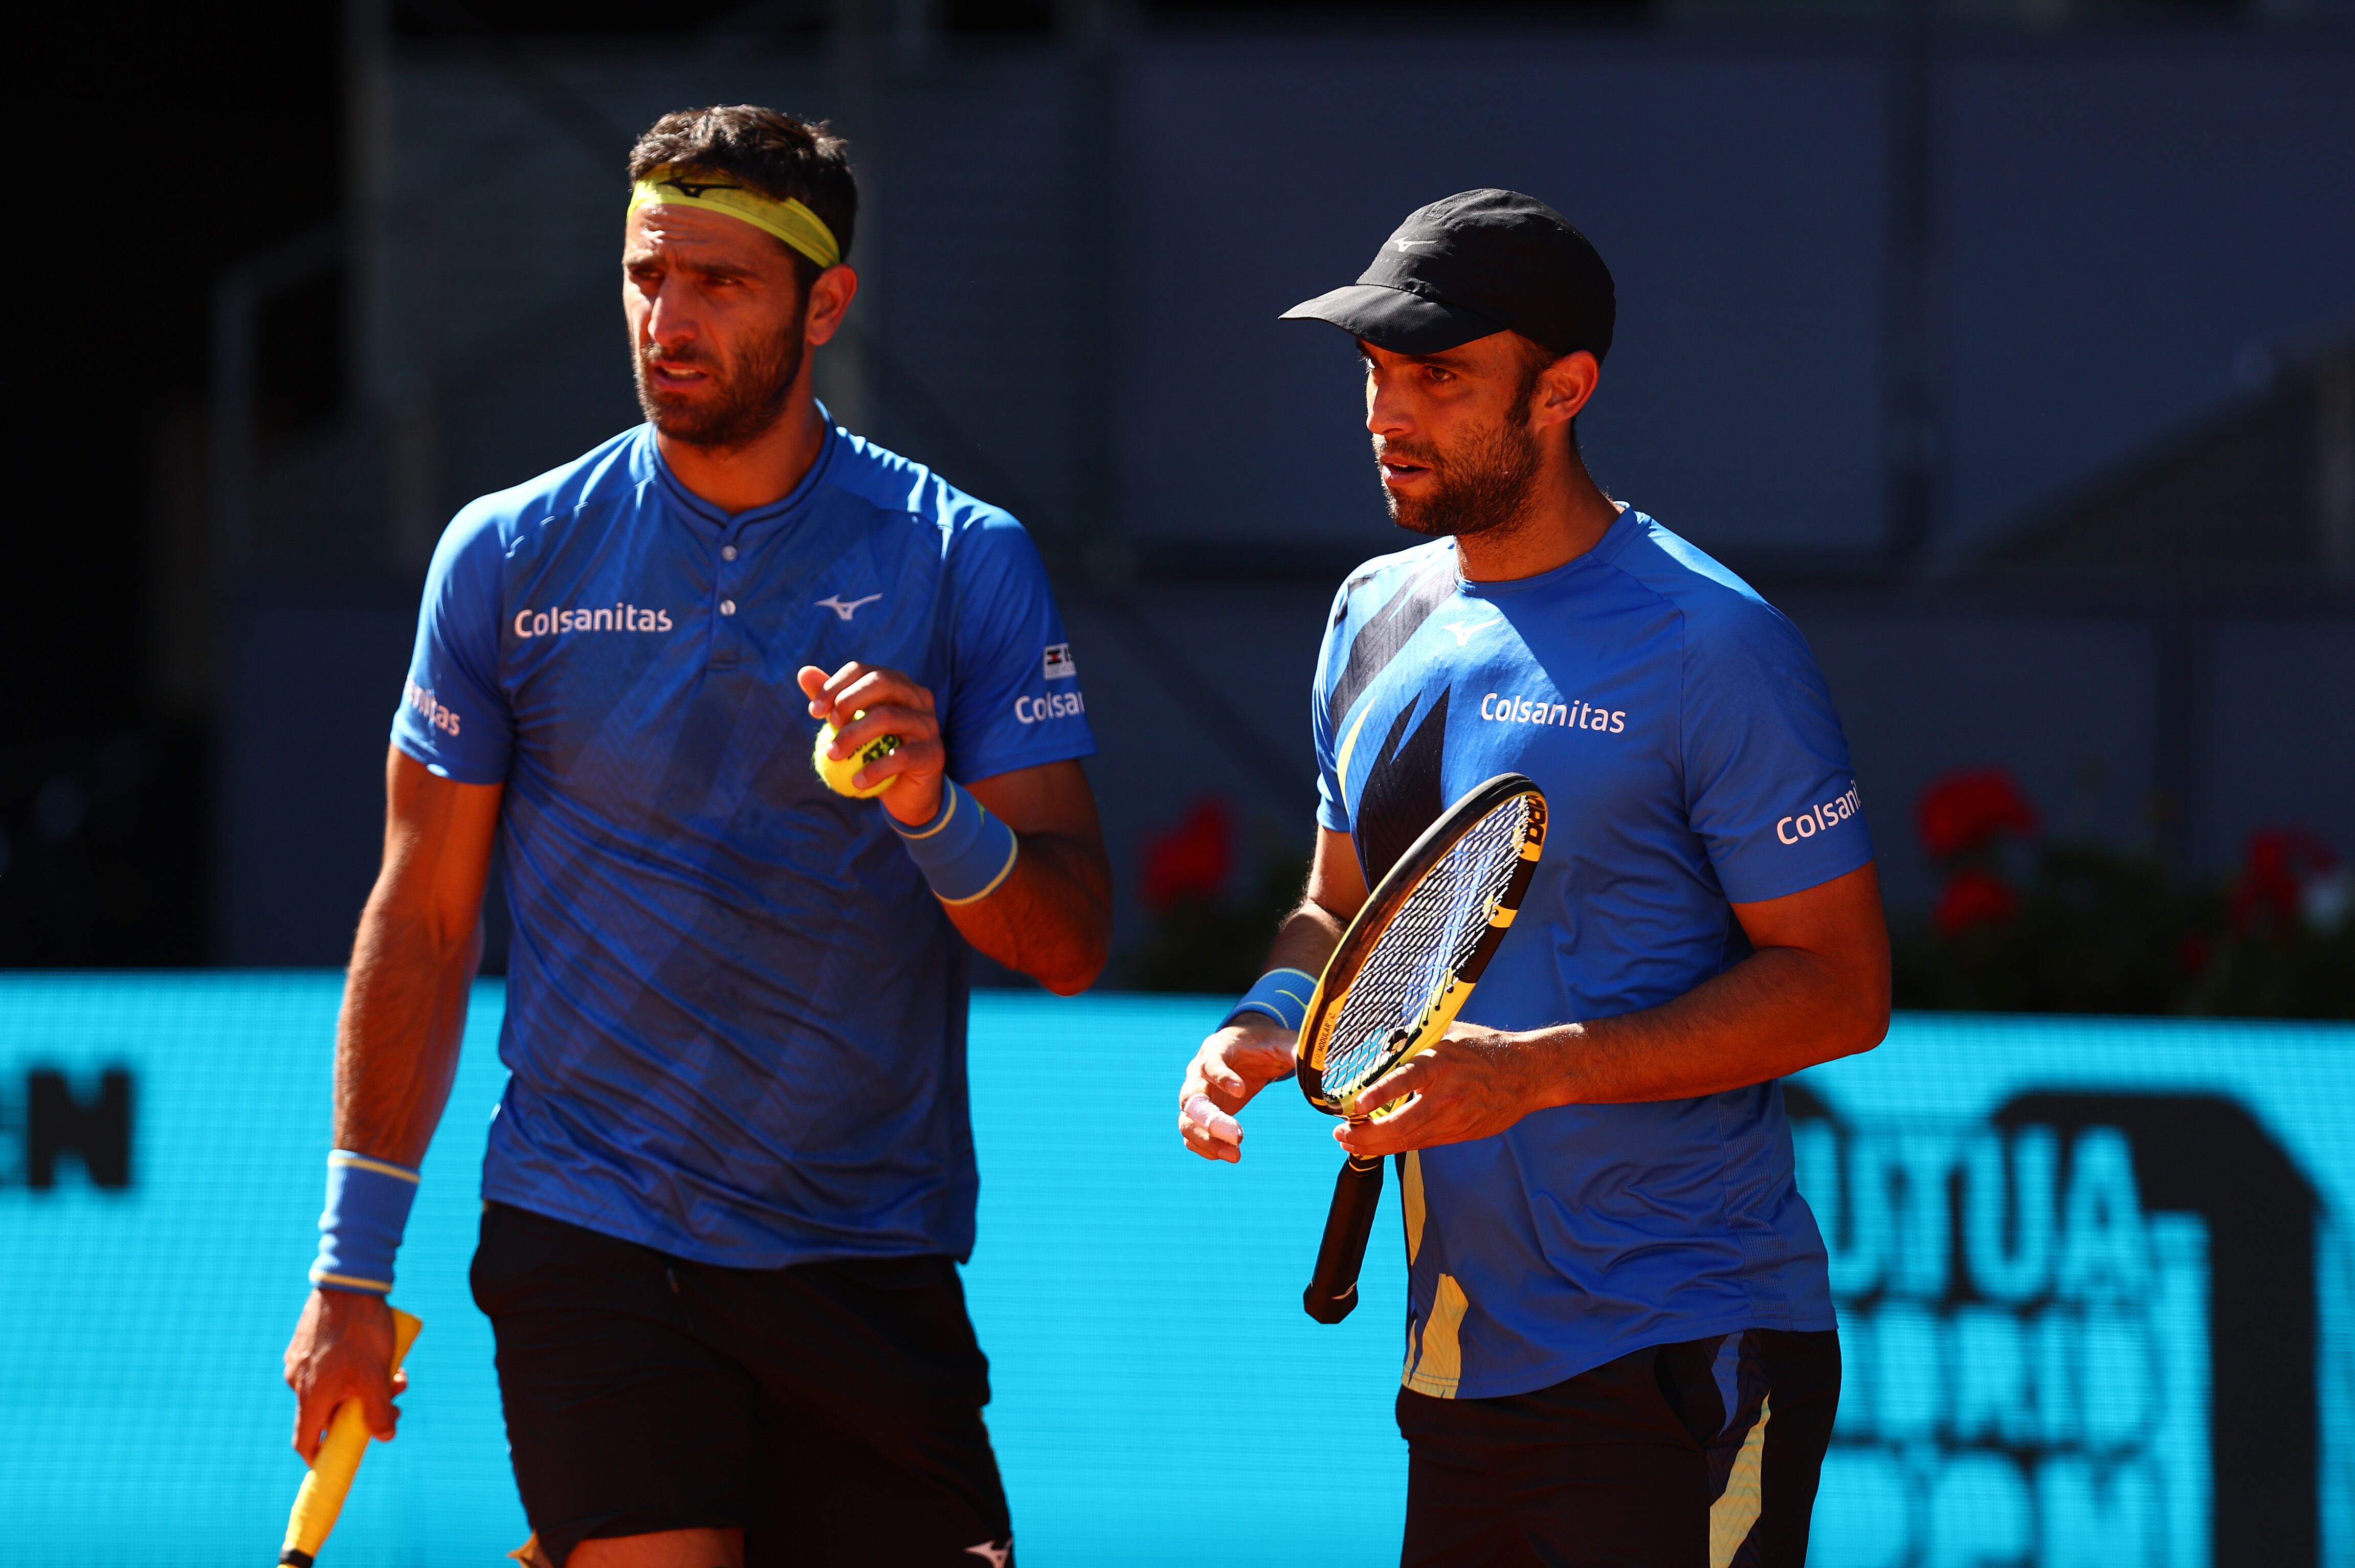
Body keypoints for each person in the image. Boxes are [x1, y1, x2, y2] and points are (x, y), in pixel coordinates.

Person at [282, 104, 1110, 1568]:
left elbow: (1067, 938)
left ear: (824, 303)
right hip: (589, 1235)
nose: (668, 318)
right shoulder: (506, 554)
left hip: (865, 1247)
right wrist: (350, 1269)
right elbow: (420, 921)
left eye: (722, 283)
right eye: (648, 274)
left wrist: (932, 809)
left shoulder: (959, 556)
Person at [1177, 190, 1889, 1567]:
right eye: (1375, 371)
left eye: (1438, 376)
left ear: (1562, 390)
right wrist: (1272, 1012)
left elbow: (1842, 989)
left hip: (1686, 1338)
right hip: (1461, 1362)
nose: (1388, 410)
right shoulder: (1369, 613)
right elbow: (1340, 904)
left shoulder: (1716, 646)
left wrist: (1540, 1067)